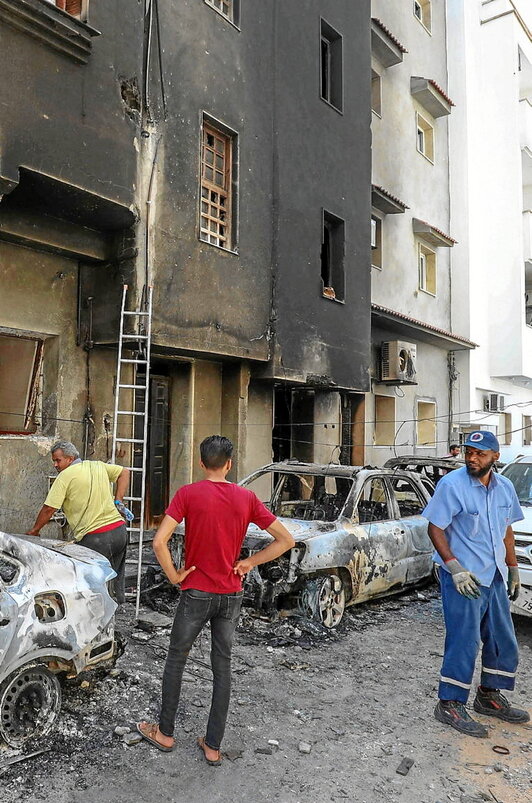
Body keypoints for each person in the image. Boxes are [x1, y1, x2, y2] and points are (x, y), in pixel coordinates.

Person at [137, 435, 295, 763]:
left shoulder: (188, 494)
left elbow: (159, 541)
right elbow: (286, 540)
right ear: (229, 464)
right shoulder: (247, 497)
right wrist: (249, 562)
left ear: (201, 463)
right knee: (222, 666)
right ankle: (212, 746)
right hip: (231, 593)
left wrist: (174, 575)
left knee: (176, 659)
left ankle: (165, 733)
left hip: (196, 592)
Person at [423, 430, 530, 737]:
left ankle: (488, 696)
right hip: (464, 579)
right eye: (468, 452)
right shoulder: (452, 485)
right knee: (464, 641)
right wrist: (454, 568)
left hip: (493, 574)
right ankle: (449, 703)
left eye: (479, 454)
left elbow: (506, 529)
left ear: (495, 456)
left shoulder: (505, 487)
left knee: (501, 638)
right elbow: (435, 528)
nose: (471, 458)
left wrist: (513, 568)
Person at [27, 441, 130, 603]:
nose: (55, 465)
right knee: (113, 578)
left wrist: (35, 530)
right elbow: (124, 472)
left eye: (58, 460)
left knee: (86, 586)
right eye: (54, 461)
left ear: (70, 458)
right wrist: (118, 500)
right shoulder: (97, 466)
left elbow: (49, 508)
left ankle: (92, 615)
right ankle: (115, 609)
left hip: (96, 537)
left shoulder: (65, 476)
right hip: (119, 532)